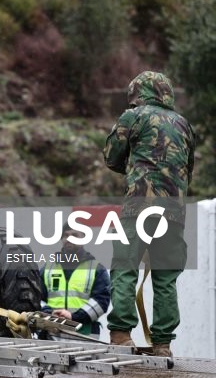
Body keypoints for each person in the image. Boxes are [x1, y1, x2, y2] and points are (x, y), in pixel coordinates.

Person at [103, 71, 195, 357]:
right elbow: (186, 169)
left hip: (139, 208)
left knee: (125, 267)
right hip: (174, 213)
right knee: (166, 277)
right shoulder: (184, 125)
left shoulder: (134, 116)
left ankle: (121, 334)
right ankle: (163, 344)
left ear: (138, 94)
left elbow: (111, 156)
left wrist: (134, 165)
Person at [40, 224, 110, 339]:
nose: (69, 238)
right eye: (66, 235)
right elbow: (36, 298)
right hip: (51, 334)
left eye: (74, 235)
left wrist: (73, 316)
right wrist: (49, 313)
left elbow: (101, 301)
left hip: (85, 337)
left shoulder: (96, 269)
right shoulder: (47, 268)